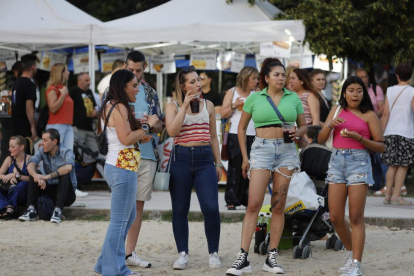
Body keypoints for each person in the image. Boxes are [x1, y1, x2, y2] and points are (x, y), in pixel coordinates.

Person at [226, 58, 307, 275]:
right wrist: (245, 158)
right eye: (277, 75)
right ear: (266, 77)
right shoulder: (254, 98)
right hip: (261, 150)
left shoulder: (293, 98)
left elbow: (303, 125)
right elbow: (241, 129)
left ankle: (272, 256)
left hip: (287, 152)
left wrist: (299, 133)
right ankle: (242, 256)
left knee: (278, 205)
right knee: (253, 204)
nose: (282, 78)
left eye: (284, 75)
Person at [318, 76, 384, 276]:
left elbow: (380, 145)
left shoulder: (369, 115)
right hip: (336, 162)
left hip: (359, 163)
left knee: (356, 216)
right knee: (336, 217)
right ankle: (351, 252)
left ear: (363, 94)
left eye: (359, 91)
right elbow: (320, 139)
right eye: (351, 90)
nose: (355, 94)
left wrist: (360, 138)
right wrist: (330, 125)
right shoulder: (336, 111)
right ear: (344, 93)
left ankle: (356, 263)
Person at [94, 69, 158, 276]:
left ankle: (104, 263)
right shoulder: (119, 106)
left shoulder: (111, 105)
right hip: (122, 167)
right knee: (120, 221)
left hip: (120, 166)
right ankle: (115, 269)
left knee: (126, 218)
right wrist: (148, 126)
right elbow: (125, 139)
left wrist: (141, 133)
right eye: (134, 85)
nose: (138, 89)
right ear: (123, 87)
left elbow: (126, 137)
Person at [165, 66, 222, 270]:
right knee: (180, 209)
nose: (198, 84)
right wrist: (185, 106)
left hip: (204, 157)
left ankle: (213, 253)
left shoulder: (209, 105)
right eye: (192, 82)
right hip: (180, 157)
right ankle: (183, 254)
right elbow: (172, 131)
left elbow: (213, 136)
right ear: (182, 86)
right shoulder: (172, 106)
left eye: (198, 80)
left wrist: (218, 162)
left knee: (211, 207)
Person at [124, 51, 163, 269]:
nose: (135, 74)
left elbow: (159, 126)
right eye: (131, 70)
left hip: (147, 152)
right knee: (122, 204)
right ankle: (118, 251)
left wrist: (150, 123)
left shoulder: (149, 92)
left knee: (138, 206)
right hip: (124, 152)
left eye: (139, 70)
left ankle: (130, 252)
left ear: (144, 68)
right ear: (124, 66)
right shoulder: (115, 90)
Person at [18, 128, 78, 224]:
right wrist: (36, 176)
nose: (42, 143)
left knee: (64, 174)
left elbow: (68, 167)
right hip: (51, 191)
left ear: (54, 141)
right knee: (35, 171)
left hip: (67, 194)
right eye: (42, 139)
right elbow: (30, 164)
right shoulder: (42, 150)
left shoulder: (66, 151)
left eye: (45, 140)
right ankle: (31, 210)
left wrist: (46, 177)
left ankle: (58, 211)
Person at [220, 66, 259, 210]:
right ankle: (231, 198)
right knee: (235, 167)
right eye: (253, 78)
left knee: (253, 167)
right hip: (235, 133)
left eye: (257, 79)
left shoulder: (257, 93)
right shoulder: (232, 92)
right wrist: (234, 105)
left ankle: (247, 198)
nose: (256, 81)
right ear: (245, 78)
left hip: (254, 133)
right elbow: (223, 114)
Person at [380, 63, 414, 205]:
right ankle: (396, 196)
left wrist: (381, 132)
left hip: (390, 131)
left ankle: (388, 195)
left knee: (392, 165)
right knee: (403, 165)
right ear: (411, 76)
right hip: (406, 132)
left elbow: (385, 113)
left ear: (397, 75)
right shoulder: (412, 91)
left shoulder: (390, 90)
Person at [355, 68, 387, 194]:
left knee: (378, 158)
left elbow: (382, 108)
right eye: (361, 77)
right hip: (360, 129)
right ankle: (365, 183)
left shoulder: (376, 89)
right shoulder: (355, 91)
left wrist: (370, 117)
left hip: (374, 127)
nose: (364, 79)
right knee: (363, 156)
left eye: (366, 76)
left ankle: (377, 185)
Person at [69, 72, 99, 198]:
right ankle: (74, 184)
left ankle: (85, 178)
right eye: (86, 80)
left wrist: (95, 111)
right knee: (76, 155)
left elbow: (95, 107)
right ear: (79, 81)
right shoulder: (73, 91)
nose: (89, 82)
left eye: (89, 80)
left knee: (95, 153)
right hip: (77, 128)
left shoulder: (90, 92)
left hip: (89, 128)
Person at [0, 136, 31, 220]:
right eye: (9, 146)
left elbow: (33, 179)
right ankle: (9, 207)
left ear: (21, 147)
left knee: (23, 184)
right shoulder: (9, 159)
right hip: (11, 192)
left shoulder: (29, 159)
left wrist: (16, 176)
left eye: (12, 147)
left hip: (23, 194)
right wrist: (9, 177)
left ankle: (7, 208)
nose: (9, 149)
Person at [45, 63, 74, 151]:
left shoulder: (63, 88)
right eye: (67, 70)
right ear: (61, 73)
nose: (69, 73)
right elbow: (53, 108)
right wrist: (63, 95)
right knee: (54, 155)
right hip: (56, 125)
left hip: (68, 125)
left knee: (68, 155)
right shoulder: (52, 89)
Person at [11, 54, 37, 141]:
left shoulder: (16, 83)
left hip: (15, 125)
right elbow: (28, 107)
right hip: (25, 126)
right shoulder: (30, 85)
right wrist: (33, 126)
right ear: (33, 67)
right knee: (27, 153)